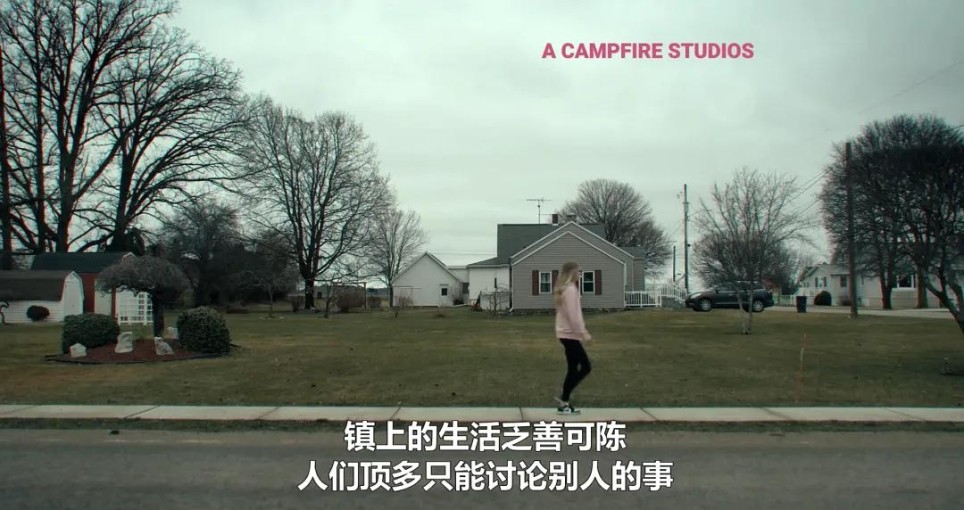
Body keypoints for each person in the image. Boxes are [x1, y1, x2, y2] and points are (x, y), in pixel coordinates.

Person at [553, 261, 592, 415]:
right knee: (586, 367)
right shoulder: (570, 290)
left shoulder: (564, 289)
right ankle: (564, 398)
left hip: (566, 334)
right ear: (572, 272)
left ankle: (564, 403)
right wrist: (583, 333)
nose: (580, 274)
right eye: (578, 271)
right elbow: (573, 315)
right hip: (570, 334)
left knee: (573, 368)